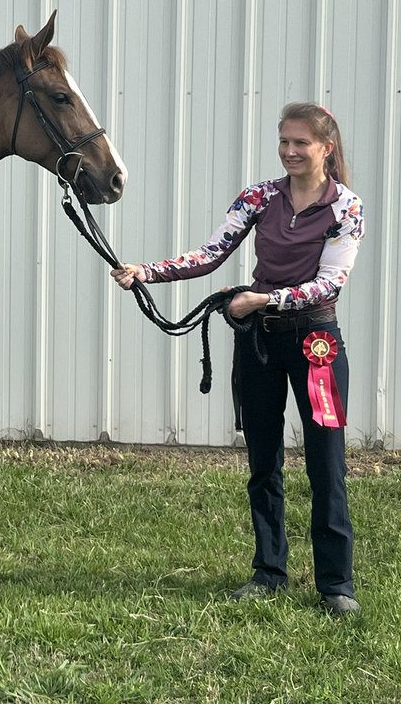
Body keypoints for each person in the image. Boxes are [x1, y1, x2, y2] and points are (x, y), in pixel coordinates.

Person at [111, 102, 364, 616]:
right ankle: (269, 571)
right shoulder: (259, 196)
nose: (290, 152)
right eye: (284, 141)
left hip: (316, 342)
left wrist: (264, 298)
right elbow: (211, 253)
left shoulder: (346, 208)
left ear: (326, 149)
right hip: (259, 343)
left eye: (301, 143)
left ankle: (336, 585)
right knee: (262, 461)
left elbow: (331, 282)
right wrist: (147, 272)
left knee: (327, 464)